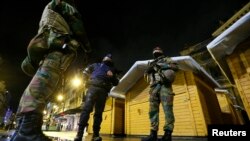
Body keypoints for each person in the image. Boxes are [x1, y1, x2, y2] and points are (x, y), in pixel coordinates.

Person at [11, 0, 91, 141]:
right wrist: (87, 46)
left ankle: (21, 128)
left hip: (48, 43)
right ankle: (28, 131)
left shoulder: (51, 8)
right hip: (57, 45)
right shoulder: (64, 6)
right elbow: (76, 23)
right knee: (44, 82)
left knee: (38, 82)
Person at [74, 54, 120, 141]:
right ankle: (79, 135)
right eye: (107, 56)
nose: (108, 57)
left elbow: (116, 82)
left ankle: (95, 135)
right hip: (93, 88)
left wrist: (112, 76)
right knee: (86, 110)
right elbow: (85, 71)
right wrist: (85, 80)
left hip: (103, 91)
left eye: (110, 57)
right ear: (103, 58)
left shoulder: (113, 69)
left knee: (98, 113)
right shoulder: (96, 65)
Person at [142, 47, 179, 141]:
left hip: (165, 86)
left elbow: (176, 67)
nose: (156, 50)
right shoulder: (150, 63)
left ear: (161, 52)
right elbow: (146, 76)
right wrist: (148, 69)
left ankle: (167, 135)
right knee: (152, 111)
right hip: (153, 88)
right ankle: (153, 134)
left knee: (167, 110)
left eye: (158, 49)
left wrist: (161, 65)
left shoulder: (167, 59)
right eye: (155, 50)